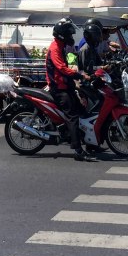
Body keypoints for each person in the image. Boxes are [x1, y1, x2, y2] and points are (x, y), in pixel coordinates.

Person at [46, 19, 95, 162]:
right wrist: (79, 75)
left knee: (83, 112)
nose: (71, 38)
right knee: (73, 117)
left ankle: (91, 145)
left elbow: (70, 64)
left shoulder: (62, 46)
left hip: (66, 86)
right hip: (59, 89)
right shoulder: (55, 48)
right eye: (69, 35)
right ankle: (78, 150)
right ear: (62, 35)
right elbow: (61, 68)